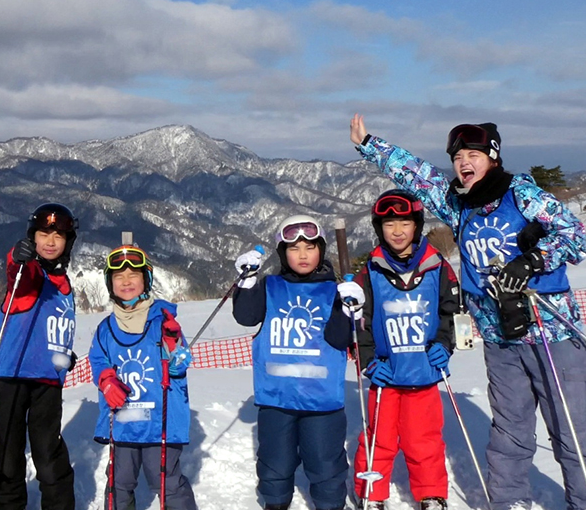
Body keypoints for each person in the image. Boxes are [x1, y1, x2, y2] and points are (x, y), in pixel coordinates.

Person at [351, 115, 586, 510]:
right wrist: (370, 144)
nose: (464, 163)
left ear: (492, 158)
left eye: (473, 155)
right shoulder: (459, 205)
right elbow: (419, 177)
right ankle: (510, 501)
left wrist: (532, 259)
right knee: (510, 430)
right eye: (458, 157)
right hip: (499, 337)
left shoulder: (521, 195)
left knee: (572, 429)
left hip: (550, 331)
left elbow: (575, 235)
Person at [231, 214, 357, 510]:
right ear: (282, 253)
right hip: (276, 398)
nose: (303, 255)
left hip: (322, 401)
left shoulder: (336, 292)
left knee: (325, 462)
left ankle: (329, 505)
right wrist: (246, 283)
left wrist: (349, 310)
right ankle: (276, 503)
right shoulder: (270, 286)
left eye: (310, 247)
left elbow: (340, 340)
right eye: (294, 248)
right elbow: (246, 317)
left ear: (321, 250)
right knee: (275, 461)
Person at [350, 190, 460, 510]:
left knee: (423, 438)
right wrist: (368, 361)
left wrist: (444, 345)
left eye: (405, 223)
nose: (397, 231)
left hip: (423, 370)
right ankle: (371, 492)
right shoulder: (370, 271)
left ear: (417, 226)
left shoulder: (437, 266)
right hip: (386, 373)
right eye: (389, 225)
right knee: (378, 437)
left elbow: (451, 312)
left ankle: (430, 493)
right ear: (379, 228)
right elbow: (359, 323)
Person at [88, 244, 198, 510]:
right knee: (118, 483)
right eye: (119, 277)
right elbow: (98, 360)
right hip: (123, 422)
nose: (126, 282)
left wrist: (174, 348)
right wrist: (106, 380)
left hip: (159, 423)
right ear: (110, 283)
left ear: (146, 280)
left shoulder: (163, 321)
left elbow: (179, 366)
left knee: (167, 482)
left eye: (133, 275)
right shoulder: (105, 329)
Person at [0, 203, 78, 510]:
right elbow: (17, 272)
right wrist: (17, 257)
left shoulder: (65, 286)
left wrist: (63, 352)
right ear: (33, 237)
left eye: (58, 236)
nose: (50, 242)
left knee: (48, 453)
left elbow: (50, 326)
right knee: (8, 453)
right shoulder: (28, 275)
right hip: (14, 377)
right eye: (43, 234)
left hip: (48, 383)